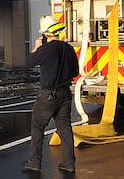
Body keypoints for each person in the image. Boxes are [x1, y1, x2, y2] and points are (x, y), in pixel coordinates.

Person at [23, 15, 79, 173]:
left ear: (45, 34)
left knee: (37, 127)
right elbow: (75, 71)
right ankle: (69, 164)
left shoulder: (45, 49)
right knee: (65, 129)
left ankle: (34, 162)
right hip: (65, 94)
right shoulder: (68, 48)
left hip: (47, 94)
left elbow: (28, 62)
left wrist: (36, 48)